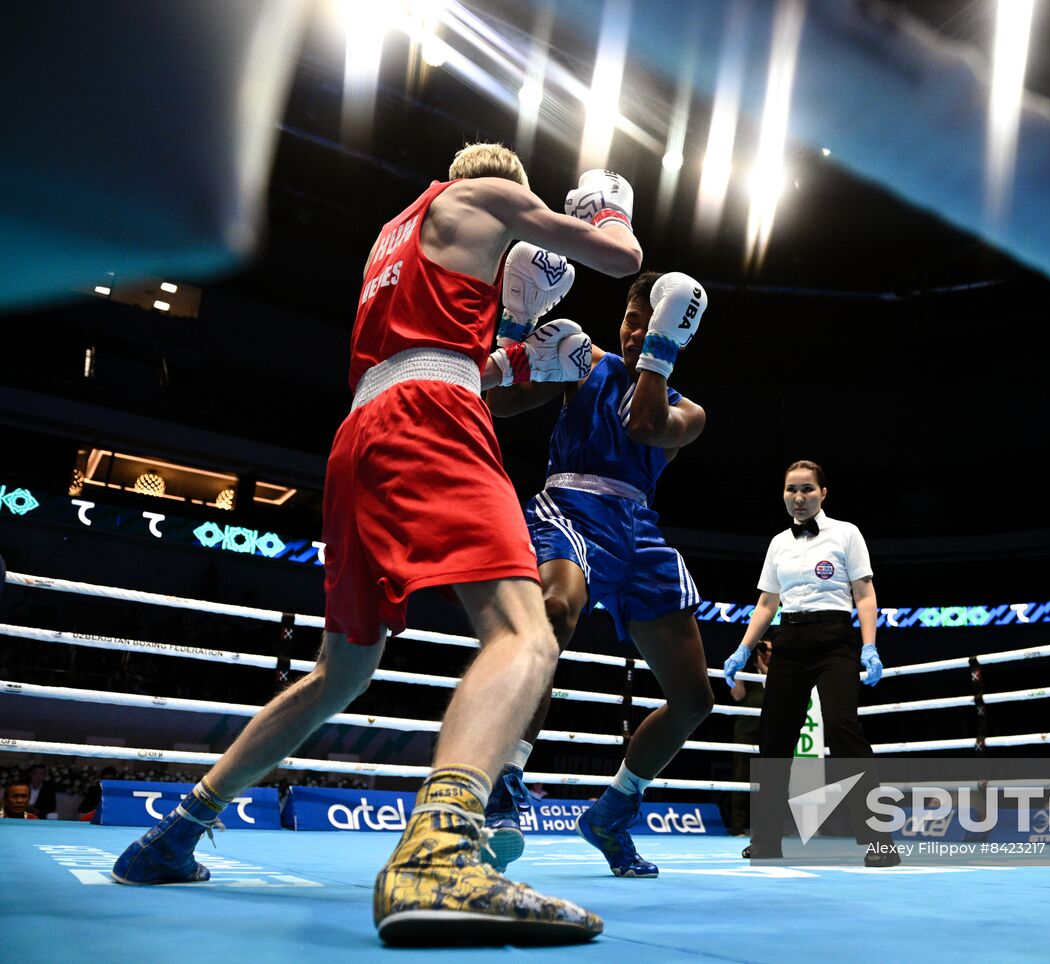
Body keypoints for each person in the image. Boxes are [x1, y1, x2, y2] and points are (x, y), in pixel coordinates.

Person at [111, 144, 642, 946]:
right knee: (526, 633)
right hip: (430, 417)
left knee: (342, 671)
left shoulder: (396, 231)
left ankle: (173, 834)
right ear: (502, 186)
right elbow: (620, 258)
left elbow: (437, 351)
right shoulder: (492, 196)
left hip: (361, 432)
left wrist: (515, 354)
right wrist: (606, 207)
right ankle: (440, 852)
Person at [482, 270, 713, 878]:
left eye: (651, 324)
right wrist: (515, 337)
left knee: (693, 699)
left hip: (638, 530)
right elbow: (500, 402)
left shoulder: (689, 413)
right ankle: (504, 780)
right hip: (570, 509)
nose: (637, 334)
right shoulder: (582, 362)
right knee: (554, 610)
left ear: (675, 330)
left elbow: (644, 425)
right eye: (633, 321)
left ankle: (612, 812)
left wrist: (659, 348)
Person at [722, 460, 898, 866]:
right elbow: (767, 603)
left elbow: (864, 594)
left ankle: (880, 840)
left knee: (842, 728)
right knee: (774, 738)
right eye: (791, 490)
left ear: (823, 493)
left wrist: (870, 646)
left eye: (806, 489)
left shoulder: (846, 533)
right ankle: (767, 840)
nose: (798, 497)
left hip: (835, 639)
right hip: (788, 640)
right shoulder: (778, 543)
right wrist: (743, 649)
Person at [728, 636, 771, 835]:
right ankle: (737, 827)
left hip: (769, 729)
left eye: (771, 650)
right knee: (741, 777)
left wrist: (764, 668)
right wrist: (739, 671)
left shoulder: (779, 671)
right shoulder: (746, 671)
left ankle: (769, 828)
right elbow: (737, 695)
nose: (768, 653)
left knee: (772, 777)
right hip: (746, 729)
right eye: (764, 649)